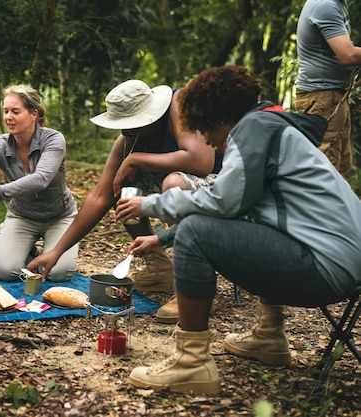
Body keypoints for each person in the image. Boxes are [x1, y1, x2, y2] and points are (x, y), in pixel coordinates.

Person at [115, 65, 361, 394]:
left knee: (195, 234)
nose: (211, 144)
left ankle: (191, 363)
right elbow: (237, 206)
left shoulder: (253, 129)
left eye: (208, 134)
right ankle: (269, 334)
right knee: (251, 225)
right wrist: (162, 237)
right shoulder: (270, 125)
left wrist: (151, 205)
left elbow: (222, 203)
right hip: (344, 266)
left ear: (217, 119)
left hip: (324, 266)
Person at [27, 79, 222, 322]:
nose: (125, 131)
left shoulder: (179, 107)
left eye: (131, 124)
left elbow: (201, 162)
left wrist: (135, 160)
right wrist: (56, 251)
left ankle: (196, 286)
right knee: (123, 189)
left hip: (222, 191)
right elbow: (100, 196)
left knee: (174, 185)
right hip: (181, 193)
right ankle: (161, 269)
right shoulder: (130, 139)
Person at [0, 84, 78, 282]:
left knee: (58, 273)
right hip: (23, 216)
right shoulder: (0, 144)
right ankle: (28, 251)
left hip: (59, 216)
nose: (8, 117)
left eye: (15, 111)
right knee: (3, 271)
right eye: (5, 111)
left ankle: (45, 252)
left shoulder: (53, 139)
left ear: (33, 114)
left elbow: (41, 179)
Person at [296, 0, 361, 174]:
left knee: (340, 168)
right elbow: (348, 55)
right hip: (322, 99)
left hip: (332, 97)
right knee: (324, 173)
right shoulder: (326, 5)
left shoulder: (338, 3)